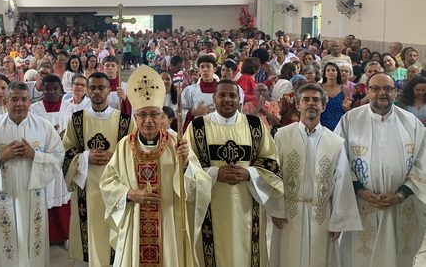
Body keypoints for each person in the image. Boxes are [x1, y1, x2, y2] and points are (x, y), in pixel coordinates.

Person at [100, 65, 211, 266]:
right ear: (135, 118)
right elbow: (107, 182)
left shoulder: (177, 143)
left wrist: (186, 165)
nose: (149, 120)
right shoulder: (125, 146)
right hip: (135, 221)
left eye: (154, 114)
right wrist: (129, 194)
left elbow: (201, 184)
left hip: (170, 221)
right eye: (142, 114)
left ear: (162, 116)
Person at [184, 79, 284, 267]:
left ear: (240, 99)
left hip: (247, 204)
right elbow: (186, 165)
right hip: (210, 206)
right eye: (222, 95)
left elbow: (271, 160)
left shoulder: (255, 125)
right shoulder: (197, 127)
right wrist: (214, 174)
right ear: (214, 98)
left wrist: (250, 174)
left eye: (232, 95)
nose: (227, 99)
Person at [335, 72, 426, 267]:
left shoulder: (411, 123)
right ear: (367, 91)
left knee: (397, 258)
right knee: (359, 259)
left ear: (395, 92)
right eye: (375, 88)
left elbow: (423, 162)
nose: (381, 93)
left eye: (387, 88)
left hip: (400, 206)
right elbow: (338, 159)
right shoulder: (350, 120)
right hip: (361, 205)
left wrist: (402, 194)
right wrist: (359, 189)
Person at [268, 83, 361, 267]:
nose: (311, 104)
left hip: (321, 213)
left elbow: (342, 181)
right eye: (306, 100)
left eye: (316, 100)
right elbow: (274, 173)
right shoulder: (282, 136)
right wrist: (276, 208)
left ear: (323, 106)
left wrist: (339, 220)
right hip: (289, 212)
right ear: (298, 105)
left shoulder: (334, 141)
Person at [0, 81, 65, 266]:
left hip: (33, 196)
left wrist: (34, 155)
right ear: (5, 102)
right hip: (5, 196)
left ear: (30, 102)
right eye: (14, 99)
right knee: (8, 243)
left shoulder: (43, 127)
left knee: (34, 241)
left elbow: (58, 156)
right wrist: (1, 156)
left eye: (24, 99)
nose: (19, 104)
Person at [62, 71, 133, 265]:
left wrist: (115, 157)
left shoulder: (125, 121)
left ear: (109, 90)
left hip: (117, 188)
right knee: (92, 234)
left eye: (101, 87)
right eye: (92, 88)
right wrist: (85, 157)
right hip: (87, 189)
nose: (96, 92)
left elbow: (135, 153)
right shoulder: (76, 120)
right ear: (87, 90)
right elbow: (66, 152)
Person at [29, 75, 73, 244]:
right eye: (47, 89)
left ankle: (63, 235)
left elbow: (74, 132)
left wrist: (64, 138)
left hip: (62, 159)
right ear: (42, 89)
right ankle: (45, 235)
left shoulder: (69, 107)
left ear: (61, 89)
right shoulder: (34, 109)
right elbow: (30, 133)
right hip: (42, 158)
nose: (52, 92)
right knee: (44, 195)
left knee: (62, 194)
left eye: (55, 89)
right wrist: (50, 138)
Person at [181, 54, 218, 128]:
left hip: (218, 127)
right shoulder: (190, 90)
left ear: (214, 69)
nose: (205, 69)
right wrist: (194, 112)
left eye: (208, 66)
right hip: (198, 128)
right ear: (199, 70)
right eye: (202, 67)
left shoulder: (222, 90)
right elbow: (180, 112)